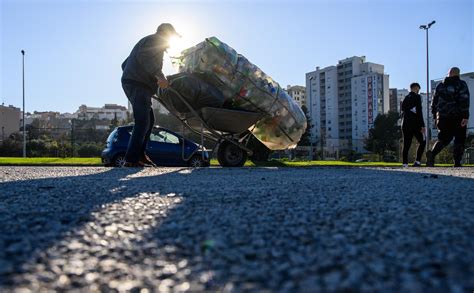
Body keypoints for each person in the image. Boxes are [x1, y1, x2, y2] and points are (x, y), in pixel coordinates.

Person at [121, 23, 181, 167]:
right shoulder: (156, 40)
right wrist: (159, 76)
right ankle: (131, 159)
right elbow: (145, 58)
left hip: (136, 83)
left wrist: (145, 80)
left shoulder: (149, 41)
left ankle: (140, 155)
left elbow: (125, 64)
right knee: (142, 121)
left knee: (149, 120)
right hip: (137, 85)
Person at [427, 67, 470, 167]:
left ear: (448, 73)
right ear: (458, 74)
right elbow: (464, 99)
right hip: (457, 116)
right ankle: (457, 161)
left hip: (442, 117)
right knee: (460, 138)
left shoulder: (440, 86)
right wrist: (465, 116)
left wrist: (435, 116)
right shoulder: (461, 84)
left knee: (444, 138)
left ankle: (432, 155)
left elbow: (433, 102)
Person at [401, 82, 426, 167]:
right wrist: (422, 125)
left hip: (405, 124)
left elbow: (403, 108)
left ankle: (405, 163)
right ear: (416, 88)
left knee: (406, 144)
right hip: (416, 124)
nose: (418, 91)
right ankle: (417, 161)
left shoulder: (406, 98)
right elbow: (419, 111)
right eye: (418, 89)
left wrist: (410, 109)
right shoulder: (418, 97)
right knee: (423, 141)